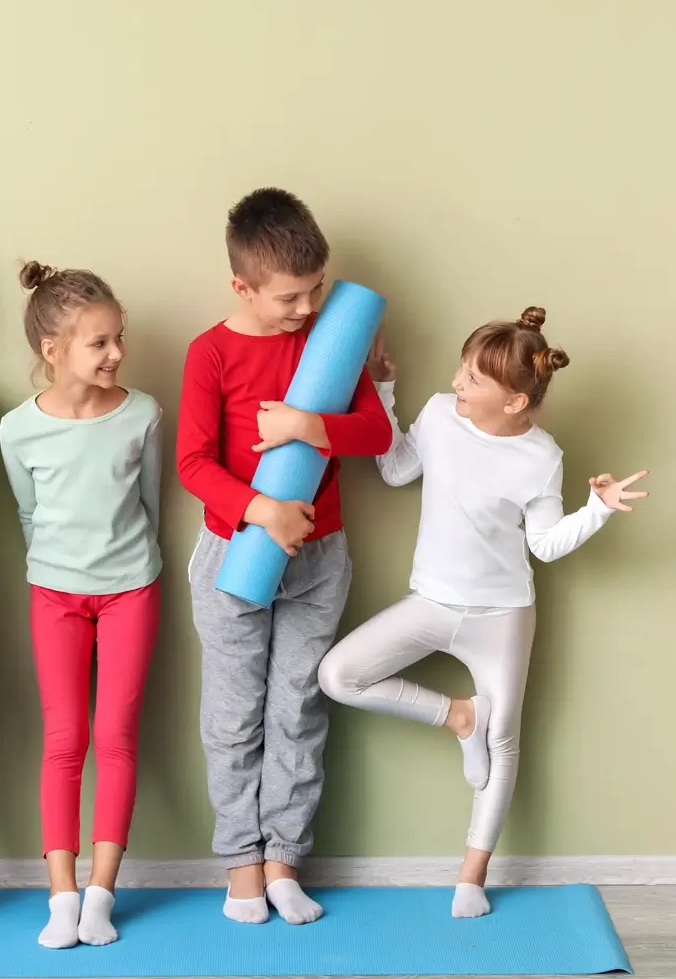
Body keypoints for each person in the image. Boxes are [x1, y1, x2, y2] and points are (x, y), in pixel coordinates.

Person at [318, 307, 649, 918]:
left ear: (516, 402)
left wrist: (597, 507)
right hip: (431, 601)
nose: (456, 383)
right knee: (338, 676)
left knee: (505, 737)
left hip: (502, 614)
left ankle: (471, 876)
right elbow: (395, 472)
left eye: (473, 379)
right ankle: (458, 718)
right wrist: (384, 390)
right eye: (462, 368)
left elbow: (544, 544)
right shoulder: (442, 415)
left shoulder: (542, 457)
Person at [176, 187, 393, 925]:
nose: (307, 309)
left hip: (319, 558)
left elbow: (376, 435)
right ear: (242, 286)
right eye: (290, 297)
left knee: (298, 710)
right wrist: (263, 508)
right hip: (236, 552)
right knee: (235, 718)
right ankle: (241, 861)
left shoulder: (330, 344)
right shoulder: (211, 353)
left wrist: (308, 424)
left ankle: (283, 861)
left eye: (317, 290)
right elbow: (193, 463)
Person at [0, 262, 162, 949]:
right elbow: (28, 516)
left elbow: (152, 506)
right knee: (64, 741)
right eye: (99, 342)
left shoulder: (145, 414)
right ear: (53, 350)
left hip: (131, 590)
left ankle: (101, 894)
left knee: (116, 739)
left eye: (117, 338)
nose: (116, 353)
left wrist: (122, 572)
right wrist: (62, 573)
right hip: (54, 595)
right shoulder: (17, 430)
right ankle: (61, 897)